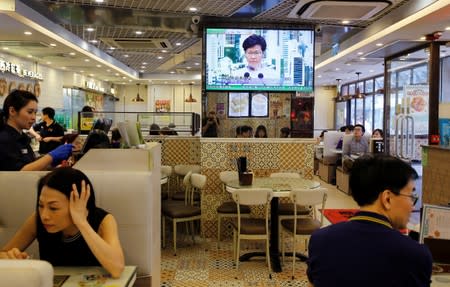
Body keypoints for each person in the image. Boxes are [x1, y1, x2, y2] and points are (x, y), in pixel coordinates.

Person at [307, 154, 432, 287]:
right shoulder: (416, 255)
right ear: (387, 199)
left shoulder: (320, 240)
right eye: (411, 196)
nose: (412, 206)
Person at [0, 167, 125, 278]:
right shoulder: (37, 219)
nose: (44, 215)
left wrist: (82, 223)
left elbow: (117, 269)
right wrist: (9, 258)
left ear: (78, 203)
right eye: (40, 205)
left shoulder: (103, 221)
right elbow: (3, 253)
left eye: (53, 208)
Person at [0, 90, 72, 171]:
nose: (34, 117)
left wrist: (54, 166)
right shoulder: (4, 139)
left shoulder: (22, 138)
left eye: (35, 113)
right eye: (30, 112)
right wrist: (51, 157)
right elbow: (19, 172)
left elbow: (30, 165)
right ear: (12, 111)